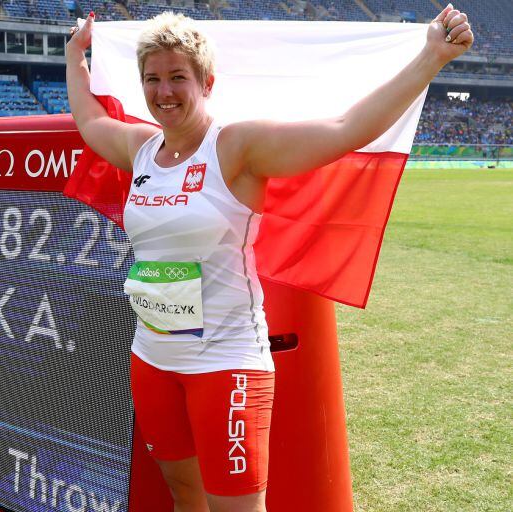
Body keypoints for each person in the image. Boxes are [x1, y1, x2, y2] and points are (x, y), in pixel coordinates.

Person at [66, 6, 473, 512]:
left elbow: (347, 129)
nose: (163, 92)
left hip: (226, 363)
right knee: (183, 493)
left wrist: (431, 59)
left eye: (178, 77)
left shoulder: (237, 147)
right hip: (152, 358)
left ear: (206, 82)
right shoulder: (142, 150)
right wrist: (73, 60)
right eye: (152, 79)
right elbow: (89, 120)